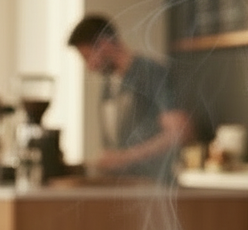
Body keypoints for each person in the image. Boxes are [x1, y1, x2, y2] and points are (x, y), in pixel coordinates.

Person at [67, 13, 193, 183]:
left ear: (104, 44)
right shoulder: (108, 84)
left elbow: (179, 132)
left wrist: (125, 158)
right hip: (122, 188)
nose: (89, 67)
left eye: (88, 57)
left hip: (152, 188)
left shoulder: (151, 73)